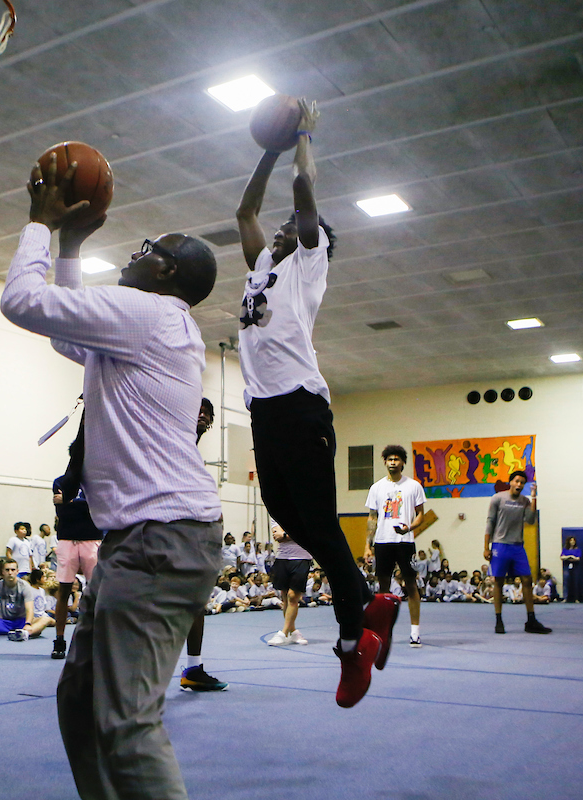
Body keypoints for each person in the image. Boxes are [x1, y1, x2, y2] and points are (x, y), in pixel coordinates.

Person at [1, 152, 223, 798]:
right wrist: (71, 244)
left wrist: (40, 225)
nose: (135, 251)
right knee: (79, 697)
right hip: (146, 541)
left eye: (150, 248)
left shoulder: (150, 315)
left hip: (162, 539)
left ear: (168, 273)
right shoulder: (150, 326)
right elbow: (67, 334)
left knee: (127, 722)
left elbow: (25, 301)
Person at [235, 99, 393, 707]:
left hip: (301, 405)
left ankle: (354, 644)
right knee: (289, 517)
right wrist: (266, 150)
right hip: (264, 410)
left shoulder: (307, 261)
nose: (279, 227)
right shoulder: (261, 270)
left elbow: (304, 190)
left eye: (294, 225)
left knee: (320, 525)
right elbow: (245, 208)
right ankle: (369, 599)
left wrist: (301, 135)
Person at [182, 396, 229, 692]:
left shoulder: (194, 453)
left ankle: (193, 669)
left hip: (191, 535)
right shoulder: (175, 440)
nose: (202, 414)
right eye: (196, 408)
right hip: (163, 530)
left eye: (207, 412)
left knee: (195, 602)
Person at [365, 444, 426, 651]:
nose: (393, 462)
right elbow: (372, 517)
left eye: (396, 459)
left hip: (405, 542)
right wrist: (368, 545)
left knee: (411, 584)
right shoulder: (377, 488)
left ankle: (415, 632)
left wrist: (410, 527)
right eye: (389, 459)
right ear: (385, 462)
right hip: (382, 542)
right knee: (382, 588)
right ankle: (383, 631)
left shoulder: (414, 486)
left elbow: (421, 514)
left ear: (402, 462)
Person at [484, 471, 550, 634]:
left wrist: (534, 498)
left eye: (522, 482)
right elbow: (490, 522)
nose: (519, 485)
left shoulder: (525, 501)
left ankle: (531, 620)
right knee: (498, 582)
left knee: (527, 580)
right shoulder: (498, 498)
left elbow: (530, 519)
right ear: (511, 482)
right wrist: (486, 547)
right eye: (517, 481)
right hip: (500, 545)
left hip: (517, 546)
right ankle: (499, 620)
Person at [51, 471, 103, 660]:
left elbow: (99, 506)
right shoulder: (60, 481)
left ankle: (94, 639)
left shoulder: (96, 479)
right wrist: (81, 504)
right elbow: (61, 511)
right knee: (63, 591)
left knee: (95, 592)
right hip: (67, 540)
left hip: (92, 540)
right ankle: (59, 639)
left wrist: (69, 501)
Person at [267, 522, 312, 647]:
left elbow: (306, 532)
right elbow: (277, 536)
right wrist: (293, 534)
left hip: (301, 557)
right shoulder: (277, 513)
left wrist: (286, 534)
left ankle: (283, 633)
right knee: (285, 596)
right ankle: (293, 631)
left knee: (293, 596)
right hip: (282, 558)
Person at [0, 558, 38, 641]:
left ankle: (25, 633)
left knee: (45, 620)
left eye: (13, 570)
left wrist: (28, 624)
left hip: (22, 622)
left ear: (17, 571)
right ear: (3, 572)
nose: (10, 572)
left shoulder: (25, 586)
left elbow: (29, 608)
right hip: (4, 622)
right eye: (7, 570)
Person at [560, 536, 582, 603]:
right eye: (571, 540)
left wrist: (573, 558)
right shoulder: (565, 549)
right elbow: (561, 557)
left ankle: (576, 598)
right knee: (566, 581)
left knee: (575, 582)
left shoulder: (578, 549)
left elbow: (578, 558)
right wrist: (568, 557)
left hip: (575, 567)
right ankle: (565, 598)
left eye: (573, 541)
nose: (572, 542)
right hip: (567, 566)